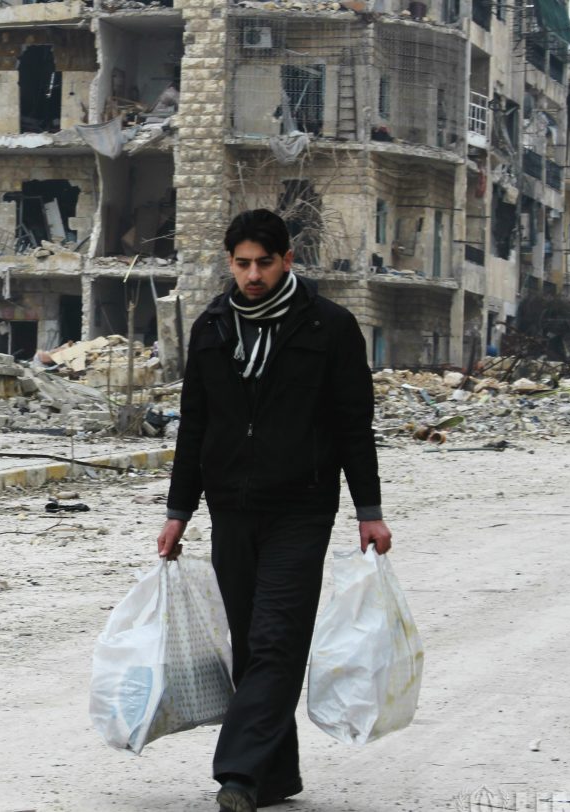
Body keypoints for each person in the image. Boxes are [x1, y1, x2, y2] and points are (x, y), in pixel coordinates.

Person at [156, 209, 392, 812]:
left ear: (288, 260)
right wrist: (178, 509)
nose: (253, 275)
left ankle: (237, 772)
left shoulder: (329, 327)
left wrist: (369, 508)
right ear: (229, 264)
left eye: (264, 262)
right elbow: (195, 429)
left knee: (277, 638)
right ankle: (276, 774)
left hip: (303, 506)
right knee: (251, 643)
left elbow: (353, 426)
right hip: (230, 507)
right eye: (242, 264)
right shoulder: (211, 327)